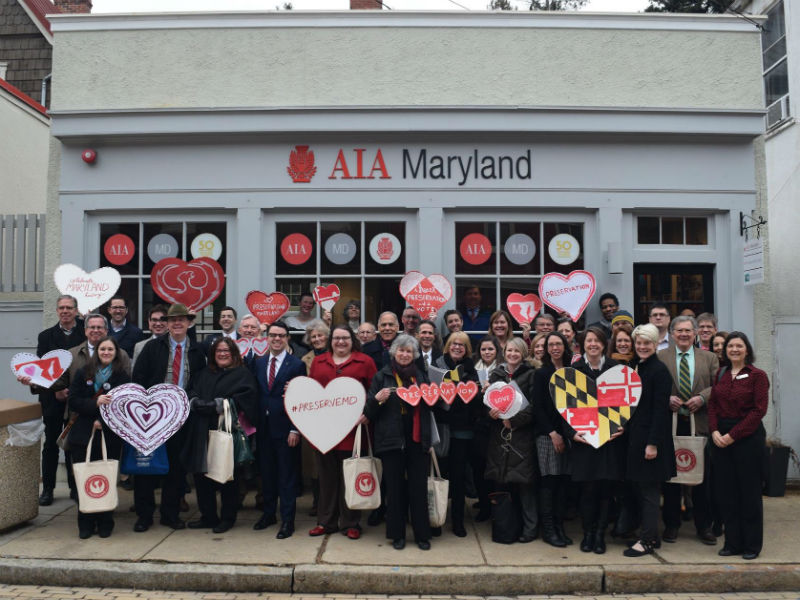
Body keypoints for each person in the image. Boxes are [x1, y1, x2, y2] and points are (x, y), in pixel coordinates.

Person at [131, 303, 207, 532]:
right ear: (167, 324)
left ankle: (169, 514)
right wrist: (146, 406)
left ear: (188, 323)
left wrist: (190, 399)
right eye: (172, 320)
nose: (176, 324)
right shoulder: (153, 347)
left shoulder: (197, 351)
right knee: (145, 468)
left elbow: (199, 383)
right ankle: (144, 516)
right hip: (152, 417)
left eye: (181, 320)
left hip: (182, 417)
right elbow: (138, 377)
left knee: (176, 469)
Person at [365, 334, 435, 550]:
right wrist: (377, 400)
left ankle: (422, 535)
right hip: (391, 439)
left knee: (418, 489)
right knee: (394, 490)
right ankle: (397, 535)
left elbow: (432, 408)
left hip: (417, 439)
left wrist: (433, 399)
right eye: (401, 350)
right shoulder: (382, 376)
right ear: (393, 353)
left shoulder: (422, 376)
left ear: (414, 355)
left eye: (408, 351)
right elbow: (369, 412)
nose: (404, 354)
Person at [307, 325, 376, 539]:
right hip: (325, 431)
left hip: (352, 431)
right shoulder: (319, 362)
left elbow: (373, 393)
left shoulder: (365, 362)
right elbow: (312, 392)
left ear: (352, 340)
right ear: (330, 340)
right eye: (336, 338)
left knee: (350, 476)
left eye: (345, 338)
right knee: (327, 478)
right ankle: (326, 522)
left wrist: (368, 413)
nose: (340, 342)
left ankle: (351, 523)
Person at [182, 337, 257, 534]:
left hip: (226, 432)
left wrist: (218, 405)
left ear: (234, 354)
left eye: (227, 351)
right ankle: (208, 516)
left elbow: (246, 398)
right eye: (219, 351)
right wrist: (196, 402)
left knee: (226, 477)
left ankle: (227, 517)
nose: (223, 354)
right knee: (201, 476)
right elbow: (190, 392)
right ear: (213, 354)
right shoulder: (203, 373)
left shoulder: (242, 374)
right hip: (201, 430)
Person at [17, 294, 85, 506]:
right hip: (52, 400)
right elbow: (42, 370)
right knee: (51, 446)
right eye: (61, 308)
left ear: (75, 310)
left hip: (78, 399)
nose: (65, 311)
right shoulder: (46, 336)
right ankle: (47, 489)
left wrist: (70, 390)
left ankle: (76, 488)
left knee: (75, 444)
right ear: (57, 311)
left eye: (69, 308)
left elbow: (88, 365)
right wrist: (55, 389)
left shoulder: (87, 331)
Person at [658, 315, 719, 545]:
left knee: (701, 479)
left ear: (695, 334)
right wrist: (667, 398)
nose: (683, 334)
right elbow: (652, 384)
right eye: (679, 330)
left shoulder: (709, 357)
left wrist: (702, 398)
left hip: (700, 422)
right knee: (672, 477)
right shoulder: (661, 356)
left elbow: (718, 386)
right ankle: (671, 525)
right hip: (671, 423)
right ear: (672, 334)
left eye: (688, 330)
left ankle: (704, 527)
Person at [708, 332, 769, 560]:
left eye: (739, 346)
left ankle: (751, 545)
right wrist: (714, 430)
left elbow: (758, 411)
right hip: (721, 439)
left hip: (747, 439)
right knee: (727, 493)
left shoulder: (757, 375)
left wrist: (733, 435)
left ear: (747, 350)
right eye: (730, 346)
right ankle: (732, 543)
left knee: (749, 493)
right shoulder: (720, 374)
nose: (734, 349)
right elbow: (713, 404)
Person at [566, 327, 624, 554]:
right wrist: (572, 434)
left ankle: (600, 534)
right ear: (582, 345)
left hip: (610, 443)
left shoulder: (617, 370)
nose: (593, 344)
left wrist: (623, 428)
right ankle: (588, 533)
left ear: (604, 344)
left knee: (606, 491)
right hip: (585, 443)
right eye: (589, 341)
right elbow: (564, 408)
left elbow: (627, 405)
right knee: (588, 491)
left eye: (597, 341)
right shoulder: (574, 371)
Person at [67, 336, 129, 539]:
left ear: (116, 352)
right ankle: (85, 524)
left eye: (110, 349)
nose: (106, 352)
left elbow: (124, 406)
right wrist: (95, 404)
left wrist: (102, 421)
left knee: (106, 479)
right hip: (83, 435)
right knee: (84, 480)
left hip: (109, 435)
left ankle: (105, 522)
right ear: (97, 351)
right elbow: (74, 400)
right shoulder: (83, 372)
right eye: (103, 349)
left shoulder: (122, 376)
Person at [623, 324, 676, 557]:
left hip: (651, 441)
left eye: (647, 343)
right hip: (637, 439)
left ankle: (647, 541)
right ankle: (650, 535)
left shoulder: (659, 371)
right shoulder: (639, 367)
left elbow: (660, 412)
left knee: (649, 492)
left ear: (655, 345)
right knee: (641, 489)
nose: (642, 347)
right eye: (639, 343)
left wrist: (652, 444)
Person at [252, 320, 307, 539]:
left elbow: (301, 398)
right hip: (263, 429)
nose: (277, 339)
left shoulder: (296, 365)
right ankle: (268, 514)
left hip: (286, 430)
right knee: (266, 475)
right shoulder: (258, 362)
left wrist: (296, 429)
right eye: (273, 335)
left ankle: (287, 520)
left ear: (287, 339)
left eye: (281, 336)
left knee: (287, 477)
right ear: (267, 338)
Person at [485, 337, 538, 543]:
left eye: (517, 351)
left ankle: (530, 528)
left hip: (522, 436)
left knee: (525, 486)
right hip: (500, 438)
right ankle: (506, 527)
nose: (513, 354)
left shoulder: (531, 374)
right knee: (503, 484)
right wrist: (490, 412)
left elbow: (534, 407)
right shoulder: (495, 374)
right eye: (509, 351)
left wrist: (513, 421)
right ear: (504, 352)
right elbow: (487, 403)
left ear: (523, 353)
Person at [434, 332, 482, 537]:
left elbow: (474, 400)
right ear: (447, 346)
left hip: (463, 431)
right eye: (453, 343)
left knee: (459, 477)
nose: (457, 347)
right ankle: (435, 519)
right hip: (441, 429)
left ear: (467, 349)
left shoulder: (471, 368)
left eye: (462, 344)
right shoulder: (437, 365)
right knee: (438, 475)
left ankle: (458, 521)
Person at [532, 331, 573, 547]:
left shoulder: (571, 371)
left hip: (569, 435)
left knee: (563, 483)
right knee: (549, 482)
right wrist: (553, 433)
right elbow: (538, 407)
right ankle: (548, 530)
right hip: (548, 435)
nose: (555, 348)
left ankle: (559, 527)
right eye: (551, 345)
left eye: (558, 344)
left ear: (565, 347)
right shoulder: (542, 373)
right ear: (546, 349)